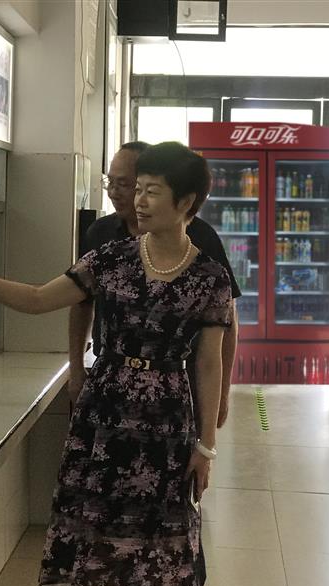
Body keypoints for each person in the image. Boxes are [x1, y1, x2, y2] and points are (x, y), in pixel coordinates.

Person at [0, 142, 232, 586]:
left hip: (166, 421)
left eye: (152, 191)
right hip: (104, 411)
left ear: (185, 202)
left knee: (159, 539)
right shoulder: (110, 259)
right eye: (138, 189)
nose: (139, 201)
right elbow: (37, 299)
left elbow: (208, 362)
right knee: (97, 528)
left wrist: (206, 446)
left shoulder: (210, 278)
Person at [69, 141, 241, 431]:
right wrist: (76, 369)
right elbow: (79, 302)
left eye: (126, 184)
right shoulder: (102, 235)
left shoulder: (201, 239)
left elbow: (227, 320)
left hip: (180, 381)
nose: (114, 192)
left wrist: (222, 394)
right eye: (110, 182)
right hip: (111, 379)